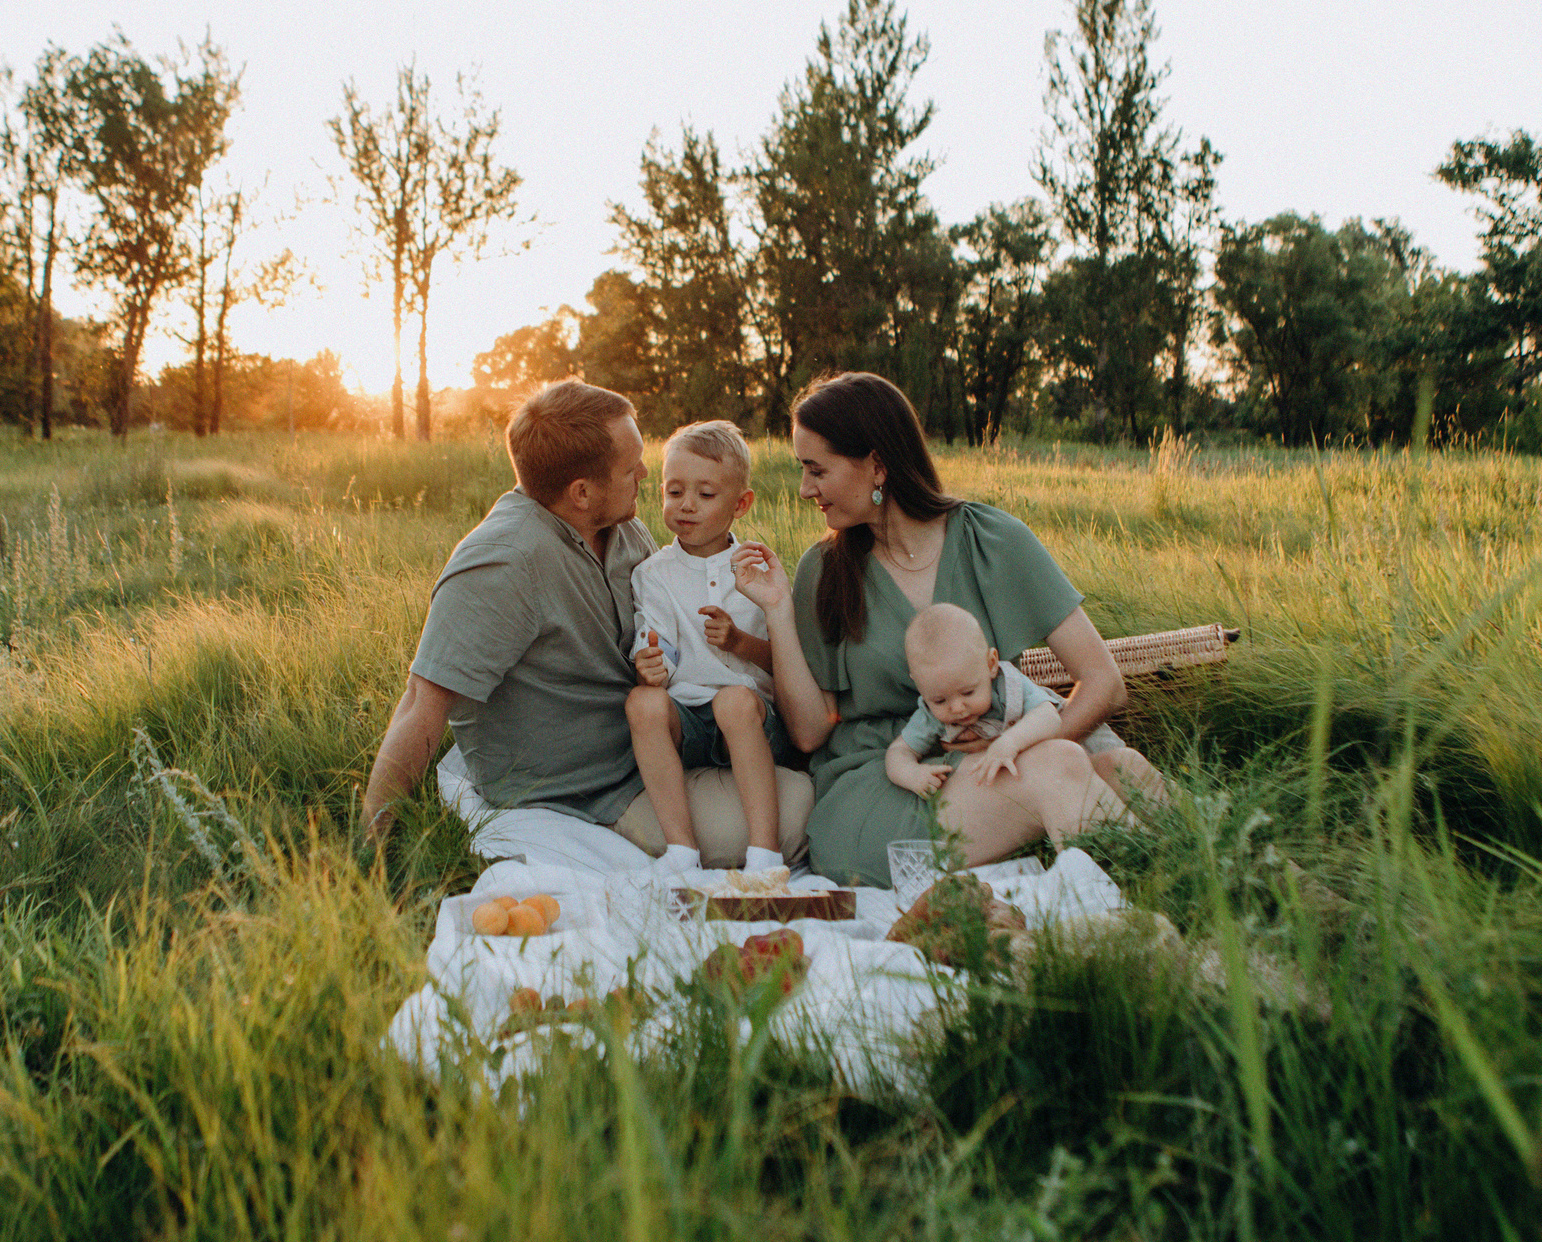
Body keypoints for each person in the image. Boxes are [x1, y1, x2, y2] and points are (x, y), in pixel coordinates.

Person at [731, 371, 1168, 887]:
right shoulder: (823, 571)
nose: (805, 490)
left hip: (1001, 750)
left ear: (875, 464)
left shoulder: (993, 540)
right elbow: (808, 731)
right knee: (1057, 769)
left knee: (1127, 769)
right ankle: (1158, 910)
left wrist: (1014, 747)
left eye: (816, 470)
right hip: (894, 782)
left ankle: (1243, 892)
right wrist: (779, 610)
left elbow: (1103, 682)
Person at [361, 380, 810, 873]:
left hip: (658, 741)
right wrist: (372, 849)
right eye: (630, 467)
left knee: (802, 782)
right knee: (798, 817)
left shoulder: (621, 526)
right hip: (591, 788)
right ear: (581, 492)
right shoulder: (502, 564)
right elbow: (421, 704)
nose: (645, 472)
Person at [625, 421, 803, 876]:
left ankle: (765, 853)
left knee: (734, 700)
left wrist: (741, 643)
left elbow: (783, 659)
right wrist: (652, 666)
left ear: (740, 504)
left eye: (705, 495)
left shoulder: (756, 569)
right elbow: (659, 641)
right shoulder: (652, 574)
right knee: (642, 703)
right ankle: (681, 851)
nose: (685, 506)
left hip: (754, 720)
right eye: (674, 491)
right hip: (690, 721)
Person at [884, 602, 1068, 796]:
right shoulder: (930, 716)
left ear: (991, 664)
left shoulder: (1009, 685)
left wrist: (1010, 742)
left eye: (968, 692)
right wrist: (912, 774)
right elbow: (899, 752)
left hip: (1074, 743)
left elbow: (1050, 717)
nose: (956, 708)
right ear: (919, 686)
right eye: (939, 701)